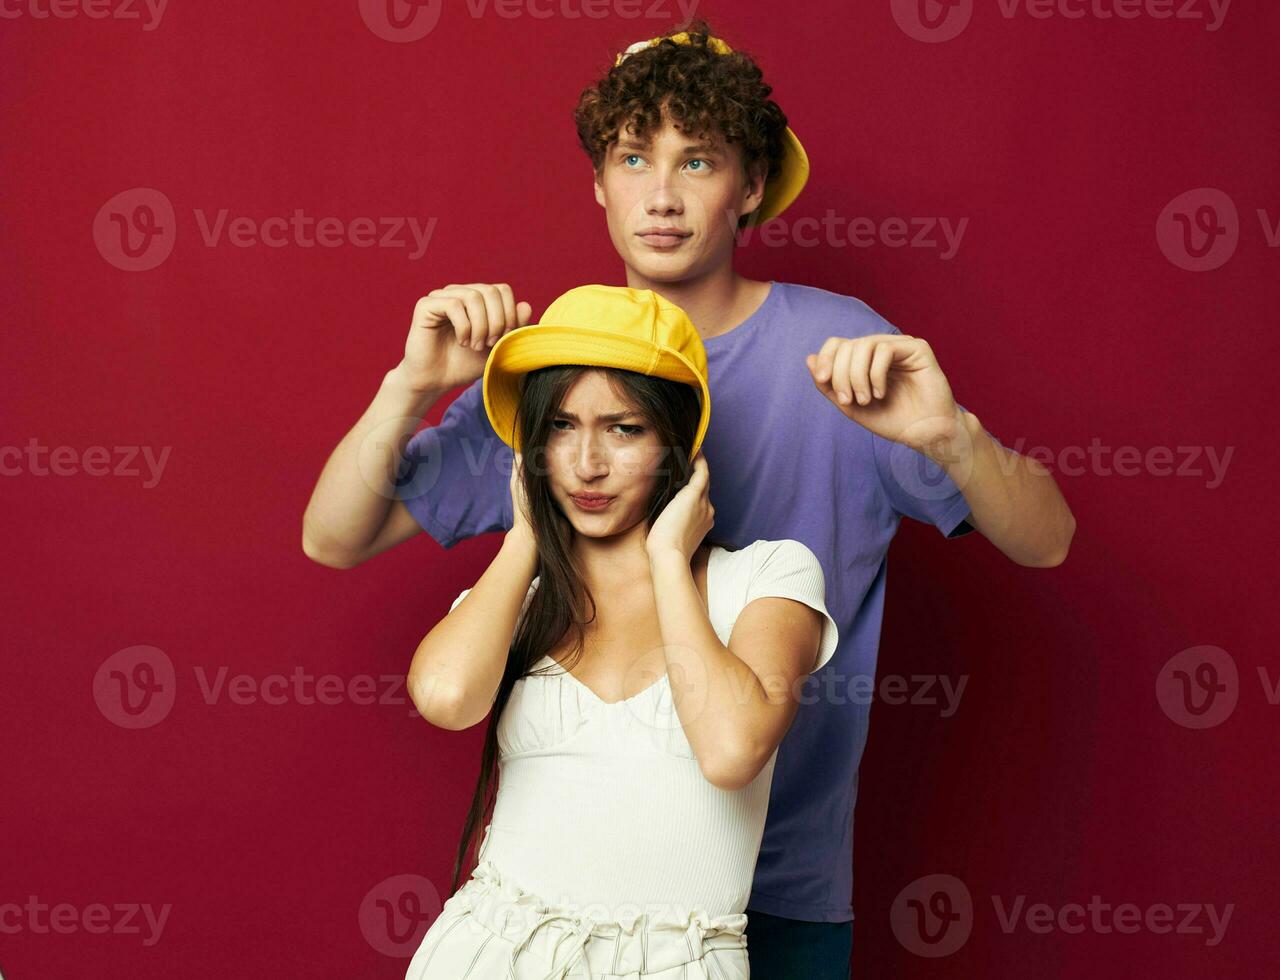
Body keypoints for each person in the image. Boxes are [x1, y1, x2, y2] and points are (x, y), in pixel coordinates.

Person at [302, 21, 1075, 978]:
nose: (661, 195)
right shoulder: (569, 368)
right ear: (598, 180)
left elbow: (1048, 542)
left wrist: (951, 434)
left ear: (749, 187)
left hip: (781, 883)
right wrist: (408, 386)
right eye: (633, 157)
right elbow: (336, 537)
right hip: (568, 903)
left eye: (698, 160)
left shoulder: (843, 351)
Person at [404, 284, 839, 979]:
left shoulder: (766, 578)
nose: (587, 464)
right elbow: (447, 697)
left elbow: (731, 752)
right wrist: (523, 538)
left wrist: (669, 561)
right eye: (561, 428)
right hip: (491, 952)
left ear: (677, 443)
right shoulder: (515, 600)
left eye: (624, 428)